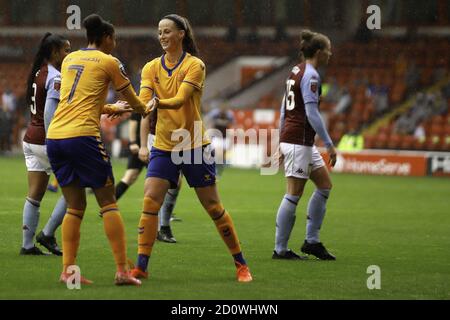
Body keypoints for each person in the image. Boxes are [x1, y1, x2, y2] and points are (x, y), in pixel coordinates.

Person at [130, 14, 252, 282]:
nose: (161, 36)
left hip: (194, 143)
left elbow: (178, 100)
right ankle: (141, 266)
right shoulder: (151, 67)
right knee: (150, 201)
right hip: (163, 145)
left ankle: (241, 264)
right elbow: (143, 104)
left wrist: (152, 104)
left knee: (213, 207)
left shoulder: (195, 65)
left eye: (167, 31)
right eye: (159, 32)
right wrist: (123, 106)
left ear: (181, 34)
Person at [46, 14, 149, 286]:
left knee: (75, 206)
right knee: (108, 201)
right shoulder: (109, 61)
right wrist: (144, 109)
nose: (114, 44)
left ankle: (68, 271)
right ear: (106, 38)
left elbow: (74, 99)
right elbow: (131, 96)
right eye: (113, 39)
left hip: (55, 136)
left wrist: (111, 108)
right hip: (82, 137)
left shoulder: (70, 59)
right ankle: (122, 272)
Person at [274, 29, 337, 260]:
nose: (331, 54)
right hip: (298, 140)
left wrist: (280, 139)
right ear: (319, 52)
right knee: (293, 193)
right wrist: (329, 144)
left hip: (298, 140)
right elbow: (311, 113)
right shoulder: (310, 75)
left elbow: (283, 109)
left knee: (324, 185)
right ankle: (280, 249)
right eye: (328, 50)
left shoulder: (295, 71)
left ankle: (312, 241)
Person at [20, 33, 71, 256]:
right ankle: (48, 233)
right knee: (76, 187)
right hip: (44, 141)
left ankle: (27, 245)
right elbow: (50, 113)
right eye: (66, 50)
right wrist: (55, 142)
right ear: (54, 52)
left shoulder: (37, 72)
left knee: (35, 194)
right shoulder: (56, 77)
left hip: (30, 139)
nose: (68, 54)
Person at [138, 111, 181, 243]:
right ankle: (159, 228)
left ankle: (162, 227)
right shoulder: (157, 92)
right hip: (157, 138)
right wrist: (143, 146)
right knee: (157, 186)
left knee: (176, 184)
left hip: (179, 139)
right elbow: (145, 116)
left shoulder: (186, 91)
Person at [204, 103, 235, 176]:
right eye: (222, 108)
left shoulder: (229, 116)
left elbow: (233, 124)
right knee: (217, 152)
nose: (223, 109)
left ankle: (220, 166)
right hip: (217, 137)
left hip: (224, 137)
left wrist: (231, 135)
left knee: (223, 153)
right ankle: (215, 167)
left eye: (225, 108)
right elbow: (209, 121)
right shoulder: (215, 114)